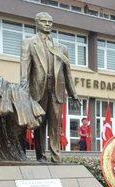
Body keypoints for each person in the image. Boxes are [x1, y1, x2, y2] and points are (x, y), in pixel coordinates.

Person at [20, 12, 79, 163]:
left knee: (55, 123)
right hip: (38, 89)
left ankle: (56, 156)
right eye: (44, 21)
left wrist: (73, 93)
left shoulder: (61, 48)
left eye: (50, 22)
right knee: (40, 123)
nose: (47, 24)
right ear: (37, 23)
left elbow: (68, 73)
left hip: (57, 89)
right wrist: (23, 89)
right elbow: (25, 68)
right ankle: (41, 155)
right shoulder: (29, 43)